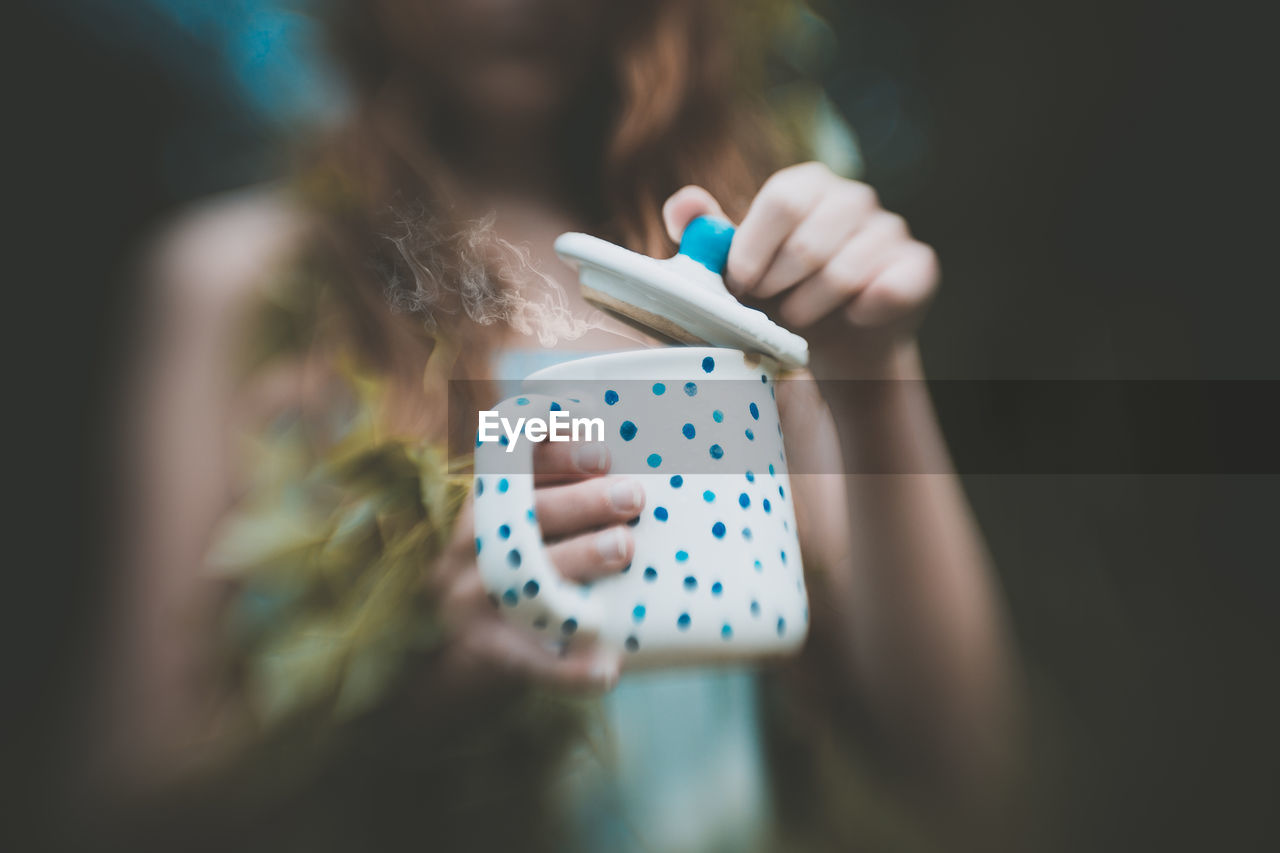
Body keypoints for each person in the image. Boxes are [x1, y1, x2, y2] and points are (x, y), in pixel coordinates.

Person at [99, 0, 1020, 849]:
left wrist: (873, 375)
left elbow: (966, 770)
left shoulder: (751, 279)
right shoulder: (237, 288)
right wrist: (408, 700)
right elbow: (128, 800)